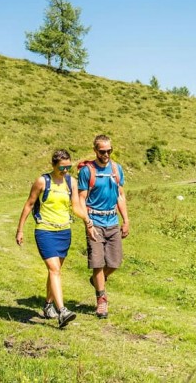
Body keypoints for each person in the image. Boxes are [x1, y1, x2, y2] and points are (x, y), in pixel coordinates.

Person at [16, 149, 97, 328]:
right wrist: (20, 230)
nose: (65, 171)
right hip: (45, 231)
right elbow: (29, 204)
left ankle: (47, 305)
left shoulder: (71, 182)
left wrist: (87, 220)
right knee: (54, 270)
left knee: (55, 271)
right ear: (53, 165)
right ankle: (62, 312)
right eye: (62, 167)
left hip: (64, 232)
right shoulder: (42, 181)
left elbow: (75, 206)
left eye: (68, 167)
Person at [78, 134, 129, 319]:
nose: (106, 154)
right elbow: (81, 199)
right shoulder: (87, 171)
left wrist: (126, 220)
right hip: (95, 221)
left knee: (115, 262)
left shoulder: (117, 169)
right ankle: (101, 301)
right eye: (102, 151)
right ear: (95, 150)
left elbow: (120, 196)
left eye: (109, 150)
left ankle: (96, 281)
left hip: (112, 221)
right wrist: (87, 222)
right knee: (98, 263)